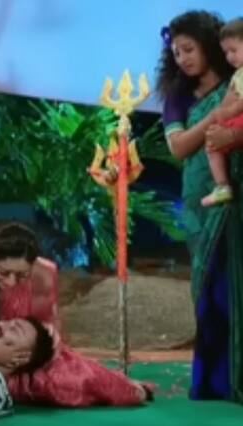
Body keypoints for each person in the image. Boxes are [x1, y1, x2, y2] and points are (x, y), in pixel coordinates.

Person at [0, 222, 153, 406]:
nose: (11, 282)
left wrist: (50, 338)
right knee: (50, 384)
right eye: (4, 273)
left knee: (72, 375)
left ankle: (128, 389)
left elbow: (49, 325)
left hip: (26, 362)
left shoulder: (44, 273)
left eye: (22, 275)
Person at [156, 10, 243, 401]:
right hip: (201, 203)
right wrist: (218, 120)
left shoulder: (237, 81)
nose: (183, 59)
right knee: (208, 287)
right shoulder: (179, 96)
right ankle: (213, 383)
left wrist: (230, 130)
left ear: (211, 46)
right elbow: (177, 147)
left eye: (189, 49)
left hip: (237, 191)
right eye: (176, 52)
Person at [201, 18, 243, 206]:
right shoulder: (238, 75)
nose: (229, 57)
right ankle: (222, 186)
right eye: (226, 52)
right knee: (211, 141)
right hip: (237, 120)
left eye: (234, 50)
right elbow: (229, 100)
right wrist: (222, 114)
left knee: (213, 142)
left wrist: (231, 111)